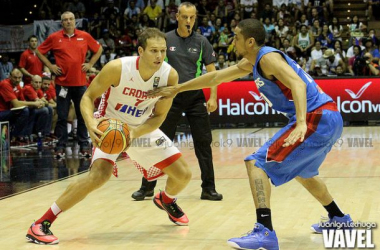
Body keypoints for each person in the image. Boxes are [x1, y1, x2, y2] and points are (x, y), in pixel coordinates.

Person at [149, 19, 352, 250]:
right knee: (303, 172)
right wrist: (178, 88)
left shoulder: (267, 57)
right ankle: (339, 219)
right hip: (329, 117)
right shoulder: (253, 62)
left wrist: (302, 122)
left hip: (317, 116)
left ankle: (264, 230)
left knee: (256, 163)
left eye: (236, 37)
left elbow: (298, 84)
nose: (232, 41)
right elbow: (216, 77)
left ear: (250, 41)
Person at [26, 28, 192, 245]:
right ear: (140, 51)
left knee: (183, 175)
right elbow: (88, 97)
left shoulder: (169, 75)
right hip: (110, 125)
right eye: (153, 51)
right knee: (99, 176)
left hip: (140, 128)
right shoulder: (117, 68)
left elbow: (158, 116)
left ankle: (166, 199)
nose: (159, 56)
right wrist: (91, 124)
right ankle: (41, 223)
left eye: (162, 51)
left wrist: (134, 132)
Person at [131, 2, 223, 201]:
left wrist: (213, 96)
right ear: (177, 17)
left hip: (195, 96)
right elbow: (152, 65)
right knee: (158, 142)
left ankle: (209, 188)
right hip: (169, 96)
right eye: (184, 17)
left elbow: (212, 72)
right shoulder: (165, 39)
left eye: (192, 17)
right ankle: (147, 187)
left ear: (195, 18)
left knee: (203, 142)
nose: (188, 21)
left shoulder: (202, 42)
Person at [36, 11, 103, 158]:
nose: (68, 22)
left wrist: (90, 63)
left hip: (80, 84)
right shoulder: (54, 38)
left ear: (75, 22)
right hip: (62, 85)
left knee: (83, 116)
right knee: (62, 116)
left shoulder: (84, 36)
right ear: (62, 22)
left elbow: (99, 49)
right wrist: (51, 66)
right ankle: (60, 146)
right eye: (65, 20)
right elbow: (39, 51)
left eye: (71, 19)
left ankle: (84, 145)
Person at [0, 69, 45, 145]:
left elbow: (23, 101)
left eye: (19, 78)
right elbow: (16, 104)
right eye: (15, 77)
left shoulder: (18, 86)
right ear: (10, 76)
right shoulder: (5, 84)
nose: (17, 80)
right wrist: (35, 103)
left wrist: (36, 104)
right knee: (25, 111)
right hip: (2, 112)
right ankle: (15, 137)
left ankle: (26, 135)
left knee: (32, 110)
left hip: (10, 111)